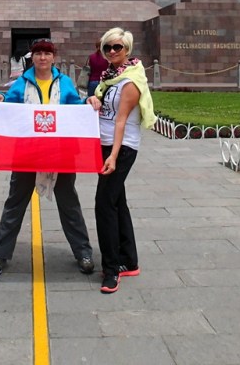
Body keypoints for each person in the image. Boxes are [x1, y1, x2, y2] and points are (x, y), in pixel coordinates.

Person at [0, 38, 97, 277]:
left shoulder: (64, 82)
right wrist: (0, 98)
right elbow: (10, 102)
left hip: (60, 153)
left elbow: (75, 107)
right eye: (38, 53)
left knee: (69, 204)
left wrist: (88, 101)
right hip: (27, 154)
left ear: (53, 57)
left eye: (47, 53)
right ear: (32, 57)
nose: (43, 57)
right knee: (15, 204)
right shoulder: (22, 82)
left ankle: (83, 252)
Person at [91, 26, 156, 295]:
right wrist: (92, 98)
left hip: (122, 148)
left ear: (127, 49)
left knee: (104, 204)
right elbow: (104, 105)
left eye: (117, 47)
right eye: (107, 47)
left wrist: (114, 156)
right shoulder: (110, 77)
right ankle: (129, 260)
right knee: (117, 201)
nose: (112, 51)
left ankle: (111, 270)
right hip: (106, 144)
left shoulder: (130, 82)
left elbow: (121, 121)